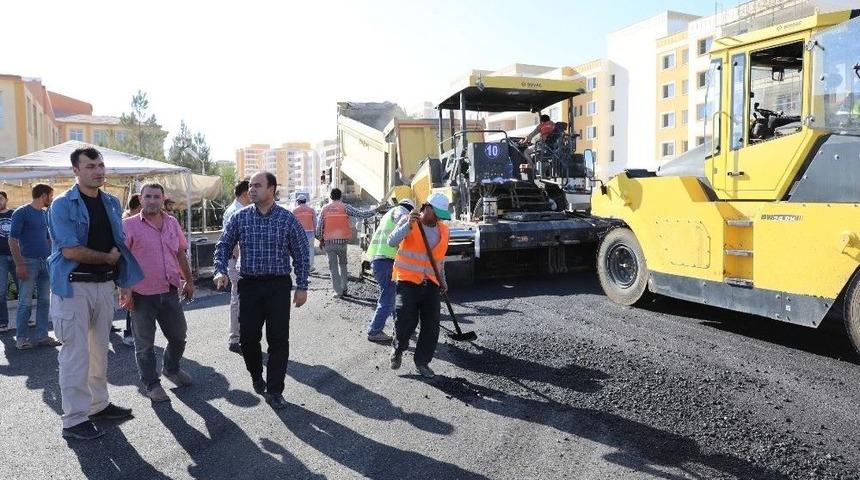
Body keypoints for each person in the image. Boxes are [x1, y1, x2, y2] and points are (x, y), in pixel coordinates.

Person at [48, 146, 143, 440]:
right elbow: (70, 249)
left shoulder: (112, 202)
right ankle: (74, 419)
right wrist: (106, 259)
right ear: (75, 170)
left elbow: (119, 245)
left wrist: (123, 281)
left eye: (101, 165)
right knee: (75, 355)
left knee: (99, 352)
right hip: (73, 287)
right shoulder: (62, 205)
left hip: (104, 286)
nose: (98, 171)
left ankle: (98, 405)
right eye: (90, 166)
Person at [213, 171, 309, 410]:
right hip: (250, 285)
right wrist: (220, 270)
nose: (251, 189)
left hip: (278, 286)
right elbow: (223, 244)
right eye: (250, 186)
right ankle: (256, 374)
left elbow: (301, 254)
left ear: (272, 189)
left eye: (257, 185)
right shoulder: (240, 217)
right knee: (248, 338)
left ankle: (275, 390)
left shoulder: (287, 219)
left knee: (278, 340)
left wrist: (302, 286)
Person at [120, 183, 194, 403]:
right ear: (140, 199)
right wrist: (125, 290)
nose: (152, 200)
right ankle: (152, 384)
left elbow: (180, 253)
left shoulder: (172, 223)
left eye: (156, 197)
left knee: (179, 337)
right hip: (141, 294)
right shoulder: (128, 225)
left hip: (169, 290)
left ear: (163, 199)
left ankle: (171, 369)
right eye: (148, 196)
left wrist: (188, 280)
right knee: (144, 345)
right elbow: (122, 260)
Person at [388, 192, 450, 379]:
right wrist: (407, 226)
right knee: (405, 319)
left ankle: (422, 362)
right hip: (407, 280)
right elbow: (392, 241)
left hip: (430, 283)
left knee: (432, 325)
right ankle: (398, 349)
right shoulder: (410, 222)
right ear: (427, 208)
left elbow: (439, 260)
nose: (439, 219)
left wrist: (443, 280)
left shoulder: (444, 230)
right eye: (436, 213)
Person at [9, 184, 60, 350]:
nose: (51, 199)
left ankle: (42, 336)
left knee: (45, 301)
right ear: (44, 196)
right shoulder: (21, 212)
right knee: (25, 303)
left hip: (46, 262)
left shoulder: (45, 214)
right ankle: (21, 338)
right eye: (50, 196)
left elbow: (48, 239)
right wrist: (19, 264)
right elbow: (12, 240)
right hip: (28, 262)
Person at [315, 188, 382, 298]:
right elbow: (362, 214)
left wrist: (320, 239)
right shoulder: (345, 207)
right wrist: (377, 209)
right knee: (343, 265)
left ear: (330, 197)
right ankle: (344, 288)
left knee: (333, 268)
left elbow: (318, 228)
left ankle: (338, 292)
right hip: (342, 243)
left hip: (329, 243)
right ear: (340, 196)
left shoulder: (325, 209)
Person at [365, 198, 415, 343]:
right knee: (388, 297)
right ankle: (374, 331)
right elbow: (403, 231)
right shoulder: (402, 213)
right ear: (410, 209)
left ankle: (401, 328)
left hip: (379, 259)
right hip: (387, 260)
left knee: (392, 296)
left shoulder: (389, 214)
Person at [222, 179, 250, 354]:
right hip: (238, 261)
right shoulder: (235, 211)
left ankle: (240, 337)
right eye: (252, 190)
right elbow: (232, 240)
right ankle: (235, 339)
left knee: (241, 299)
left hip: (240, 261)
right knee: (238, 299)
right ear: (245, 193)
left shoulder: (236, 209)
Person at [117, 193, 142, 345]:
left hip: (135, 267)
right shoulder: (126, 221)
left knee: (136, 301)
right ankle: (129, 334)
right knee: (131, 300)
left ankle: (135, 333)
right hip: (128, 268)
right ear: (139, 206)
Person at [0, 191, 17, 333]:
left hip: (17, 256)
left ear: (6, 199)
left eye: (0, 199)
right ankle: (3, 322)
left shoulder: (15, 214)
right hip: (0, 258)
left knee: (23, 287)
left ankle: (25, 318)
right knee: (1, 290)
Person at [291, 194, 317, 272]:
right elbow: (315, 222)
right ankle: (310, 267)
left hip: (299, 234)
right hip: (310, 233)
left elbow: (292, 224)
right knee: (310, 250)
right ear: (305, 201)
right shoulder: (311, 210)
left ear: (298, 202)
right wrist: (316, 233)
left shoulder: (294, 211)